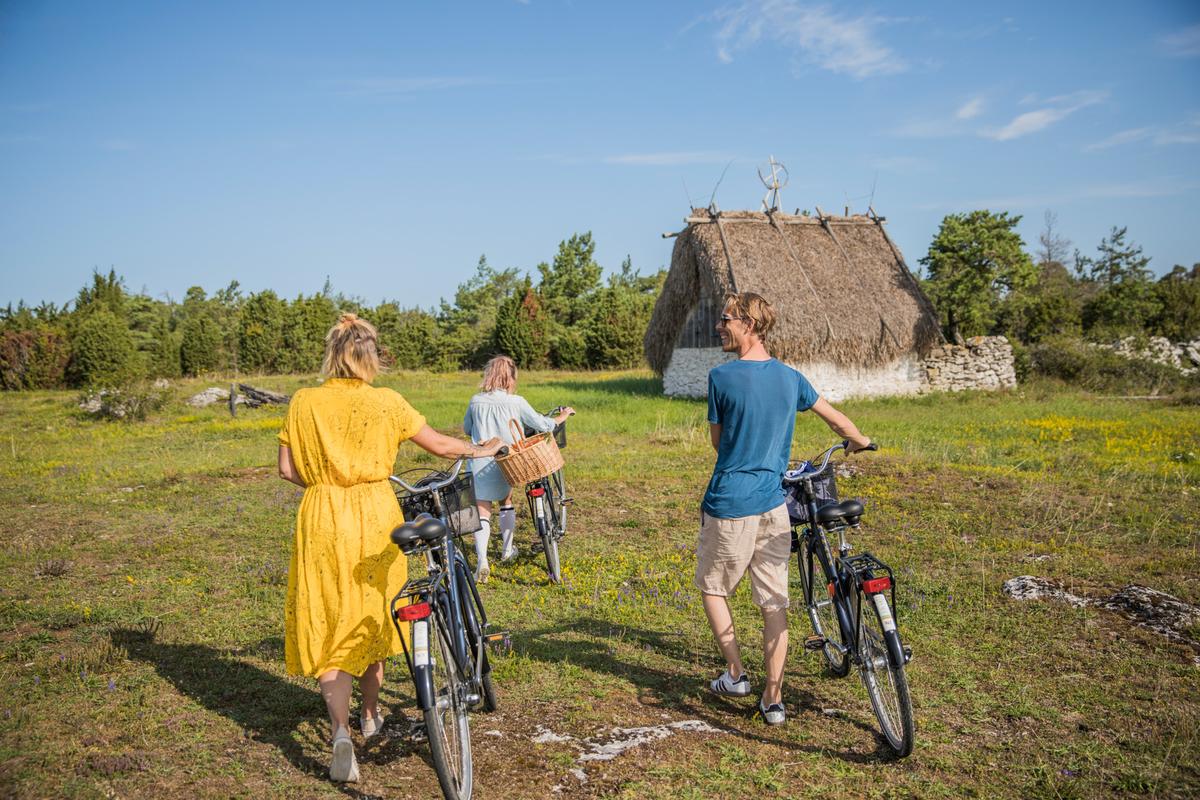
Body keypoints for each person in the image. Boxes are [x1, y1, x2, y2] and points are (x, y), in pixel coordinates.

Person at [277, 313, 504, 783]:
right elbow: (438, 445)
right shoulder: (386, 401)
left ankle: (340, 732)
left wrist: (326, 485)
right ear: (370, 358)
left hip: (322, 516)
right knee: (375, 612)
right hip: (375, 513)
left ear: (333, 354)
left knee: (331, 618)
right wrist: (480, 450)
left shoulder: (303, 401)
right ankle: (370, 714)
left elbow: (286, 469)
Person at [697, 292, 871, 726]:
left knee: (714, 588)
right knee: (774, 602)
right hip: (775, 506)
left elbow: (719, 443)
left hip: (730, 502)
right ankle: (773, 700)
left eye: (725, 319)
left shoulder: (721, 378)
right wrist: (859, 440)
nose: (719, 326)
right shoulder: (791, 378)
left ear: (749, 324)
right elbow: (837, 420)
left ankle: (736, 674)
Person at [462, 354, 574, 581]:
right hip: (507, 461)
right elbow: (542, 424)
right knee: (506, 501)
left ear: (489, 374)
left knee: (483, 511)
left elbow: (467, 429)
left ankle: (482, 560)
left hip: (480, 460)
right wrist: (562, 417)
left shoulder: (475, 401)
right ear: (511, 377)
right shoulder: (516, 402)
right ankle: (506, 550)